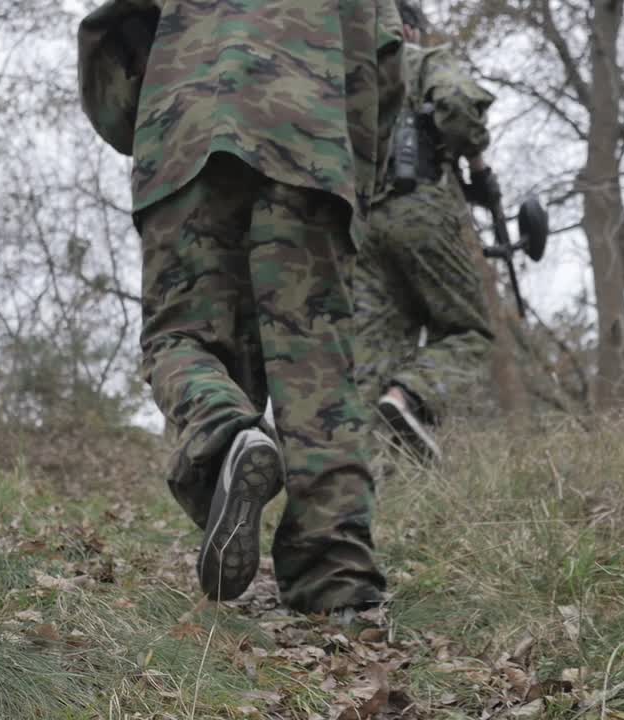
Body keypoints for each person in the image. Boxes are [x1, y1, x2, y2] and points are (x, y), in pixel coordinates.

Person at [79, 0, 404, 614]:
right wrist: (357, 179)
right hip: (311, 146)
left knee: (182, 338)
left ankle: (223, 431)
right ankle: (339, 588)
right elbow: (382, 66)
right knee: (319, 371)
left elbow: (108, 37)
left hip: (186, 142)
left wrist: (146, 127)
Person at [352, 0, 501, 462]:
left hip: (359, 226)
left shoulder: (348, 77)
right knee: (468, 333)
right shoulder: (422, 60)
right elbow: (456, 103)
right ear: (410, 31)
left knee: (370, 359)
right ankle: (407, 397)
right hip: (420, 209)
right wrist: (476, 164)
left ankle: (363, 483)